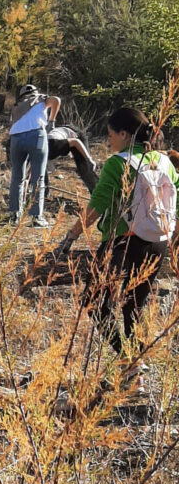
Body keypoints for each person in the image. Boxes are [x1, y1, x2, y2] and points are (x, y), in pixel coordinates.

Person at [52, 108, 177, 368]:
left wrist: (71, 236)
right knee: (135, 307)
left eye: (111, 135)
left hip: (123, 242)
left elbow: (98, 205)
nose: (109, 141)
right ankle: (137, 371)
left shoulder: (118, 163)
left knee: (94, 302)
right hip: (157, 242)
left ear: (124, 134)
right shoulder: (164, 161)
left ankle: (128, 360)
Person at [7, 84, 61, 227]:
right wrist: (52, 121)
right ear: (36, 92)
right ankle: (37, 216)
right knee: (38, 177)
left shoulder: (16, 106)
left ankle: (14, 215)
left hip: (15, 138)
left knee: (17, 177)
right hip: (36, 135)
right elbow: (56, 100)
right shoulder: (40, 99)